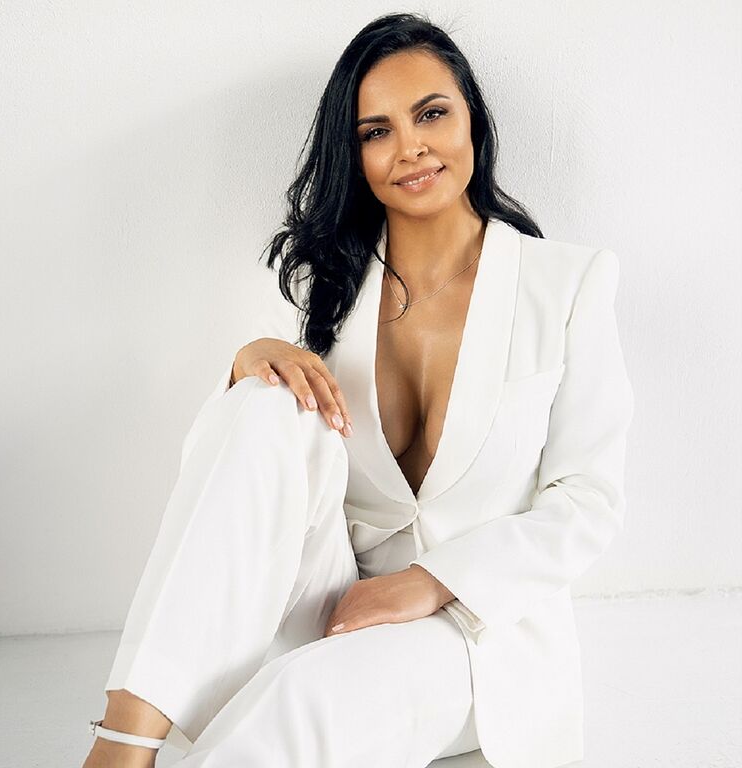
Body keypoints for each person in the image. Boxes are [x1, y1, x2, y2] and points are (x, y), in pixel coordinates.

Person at [81, 11, 634, 768]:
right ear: (357, 155)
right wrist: (250, 366)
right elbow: (253, 474)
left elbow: (588, 503)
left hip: (476, 635)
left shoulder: (568, 283)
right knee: (266, 402)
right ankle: (121, 743)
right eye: (377, 131)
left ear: (472, 119)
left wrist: (432, 581)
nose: (410, 147)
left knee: (301, 699)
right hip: (336, 598)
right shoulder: (334, 287)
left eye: (431, 114)